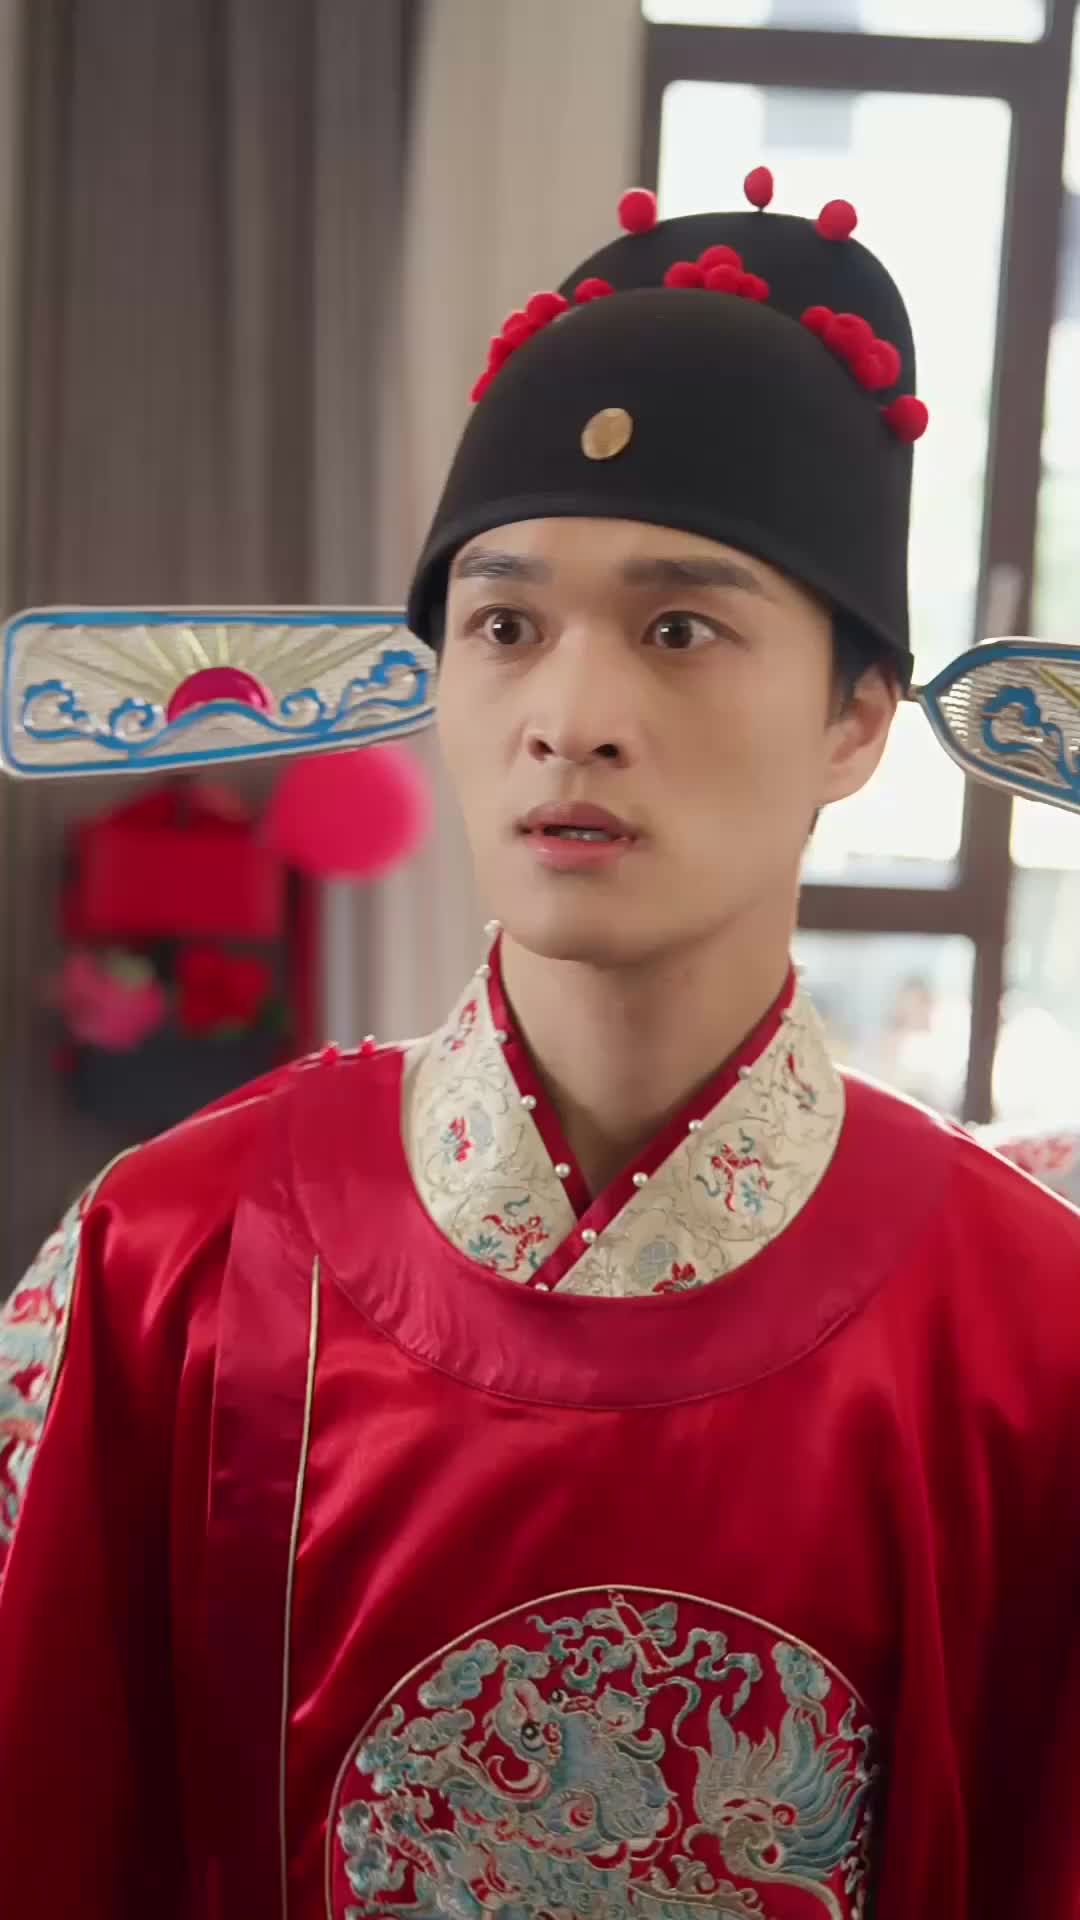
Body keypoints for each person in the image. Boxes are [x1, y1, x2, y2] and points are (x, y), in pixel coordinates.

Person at [2, 170, 1079, 1920]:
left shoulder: (1033, 1339)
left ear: (856, 723)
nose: (570, 718)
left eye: (680, 629)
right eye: (504, 626)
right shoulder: (170, 1259)